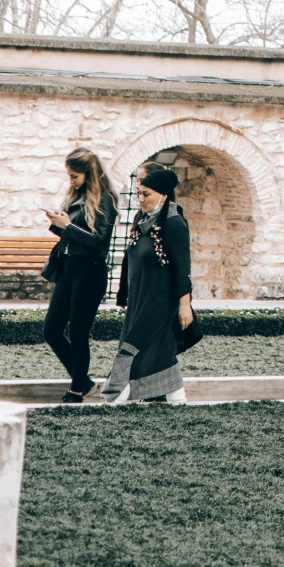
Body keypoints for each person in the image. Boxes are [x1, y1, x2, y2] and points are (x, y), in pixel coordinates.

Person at [99, 163, 195, 406]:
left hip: (162, 300)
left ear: (163, 194)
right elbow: (130, 260)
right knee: (162, 351)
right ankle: (176, 398)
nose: (140, 199)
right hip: (141, 299)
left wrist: (185, 305)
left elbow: (183, 269)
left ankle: (115, 398)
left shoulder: (173, 223)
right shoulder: (142, 219)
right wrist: (124, 295)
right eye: (139, 193)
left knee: (129, 349)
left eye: (146, 194)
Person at [41, 149, 117, 403]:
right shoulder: (75, 196)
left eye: (74, 176)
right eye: (69, 176)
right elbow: (70, 235)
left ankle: (76, 392)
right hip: (68, 270)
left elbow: (99, 243)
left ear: (89, 173)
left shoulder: (105, 200)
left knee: (78, 333)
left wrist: (68, 226)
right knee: (51, 330)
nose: (71, 181)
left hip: (90, 272)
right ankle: (83, 381)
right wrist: (57, 223)